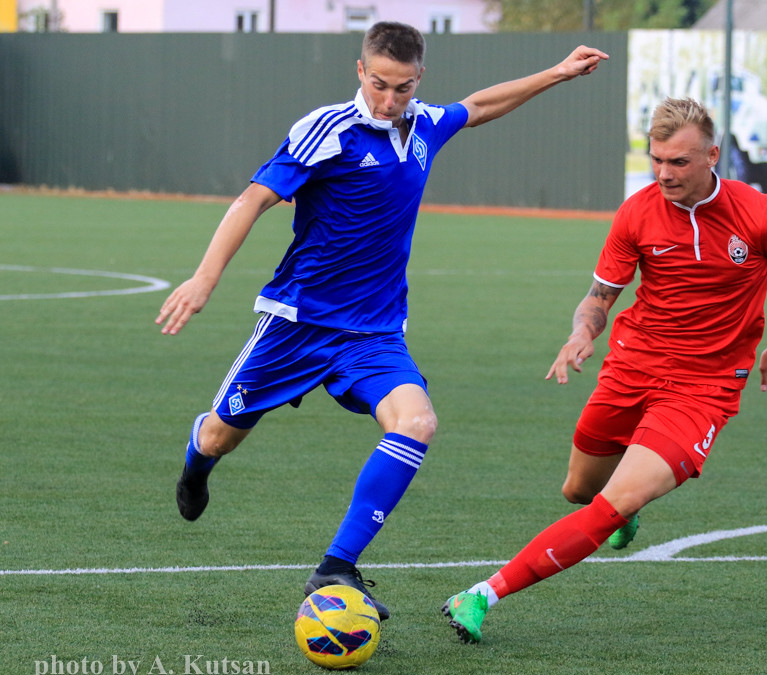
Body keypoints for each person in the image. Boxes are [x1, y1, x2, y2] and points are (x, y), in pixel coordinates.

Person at [155, 21, 608, 621]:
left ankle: (336, 565)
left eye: (403, 87)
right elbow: (253, 199)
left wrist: (557, 72)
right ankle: (197, 459)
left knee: (417, 422)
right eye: (379, 84)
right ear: (360, 71)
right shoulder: (327, 130)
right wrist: (204, 278)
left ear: (419, 79)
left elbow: (477, 107)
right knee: (221, 436)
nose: (389, 99)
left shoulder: (424, 126)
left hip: (374, 332)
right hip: (298, 324)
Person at [442, 97, 767, 644]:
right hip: (631, 368)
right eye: (656, 160)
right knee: (579, 491)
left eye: (679, 162)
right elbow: (600, 296)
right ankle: (627, 508)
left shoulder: (764, 216)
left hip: (703, 389)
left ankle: (481, 595)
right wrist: (581, 333)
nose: (664, 174)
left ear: (712, 156)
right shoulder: (637, 212)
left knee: (612, 504)